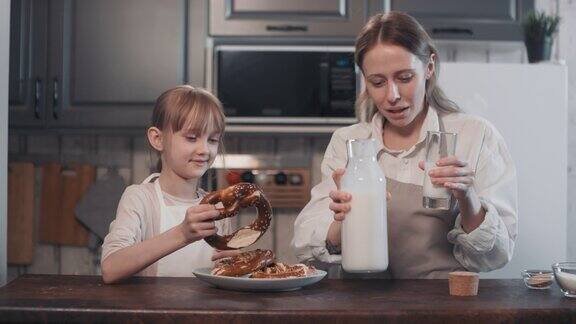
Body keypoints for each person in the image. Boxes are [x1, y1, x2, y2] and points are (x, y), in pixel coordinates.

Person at [291, 12, 518, 279]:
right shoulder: (347, 144)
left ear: (429, 67)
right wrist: (342, 222)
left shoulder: (474, 135)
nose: (392, 96)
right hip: (359, 307)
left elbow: (497, 256)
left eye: (405, 77)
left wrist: (467, 197)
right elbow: (304, 248)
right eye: (378, 82)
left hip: (444, 308)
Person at [101, 85, 239, 284]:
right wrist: (182, 233)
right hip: (151, 314)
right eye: (192, 138)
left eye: (212, 139)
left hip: (205, 314)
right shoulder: (140, 198)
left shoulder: (217, 209)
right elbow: (111, 268)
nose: (204, 149)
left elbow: (220, 275)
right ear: (158, 139)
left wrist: (231, 266)